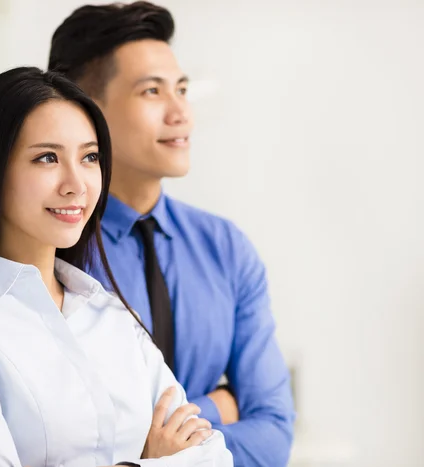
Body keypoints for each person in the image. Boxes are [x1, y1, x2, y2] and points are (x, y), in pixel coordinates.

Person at [0, 67, 234, 467]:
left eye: (90, 157)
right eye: (47, 158)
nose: (77, 183)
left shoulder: (111, 313)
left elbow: (212, 456)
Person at [48, 3, 295, 466]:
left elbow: (274, 434)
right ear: (85, 108)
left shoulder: (225, 248)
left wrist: (160, 437)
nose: (181, 112)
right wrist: (220, 406)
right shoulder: (53, 251)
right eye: (152, 91)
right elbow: (57, 440)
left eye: (181, 89)